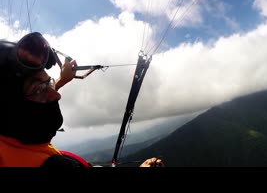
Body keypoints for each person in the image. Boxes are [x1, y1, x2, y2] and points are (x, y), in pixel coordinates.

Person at [0, 32, 164, 167]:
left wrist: (60, 80)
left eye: (48, 83)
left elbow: (38, 95)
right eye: (39, 89)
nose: (56, 94)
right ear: (11, 110)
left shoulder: (12, 142)